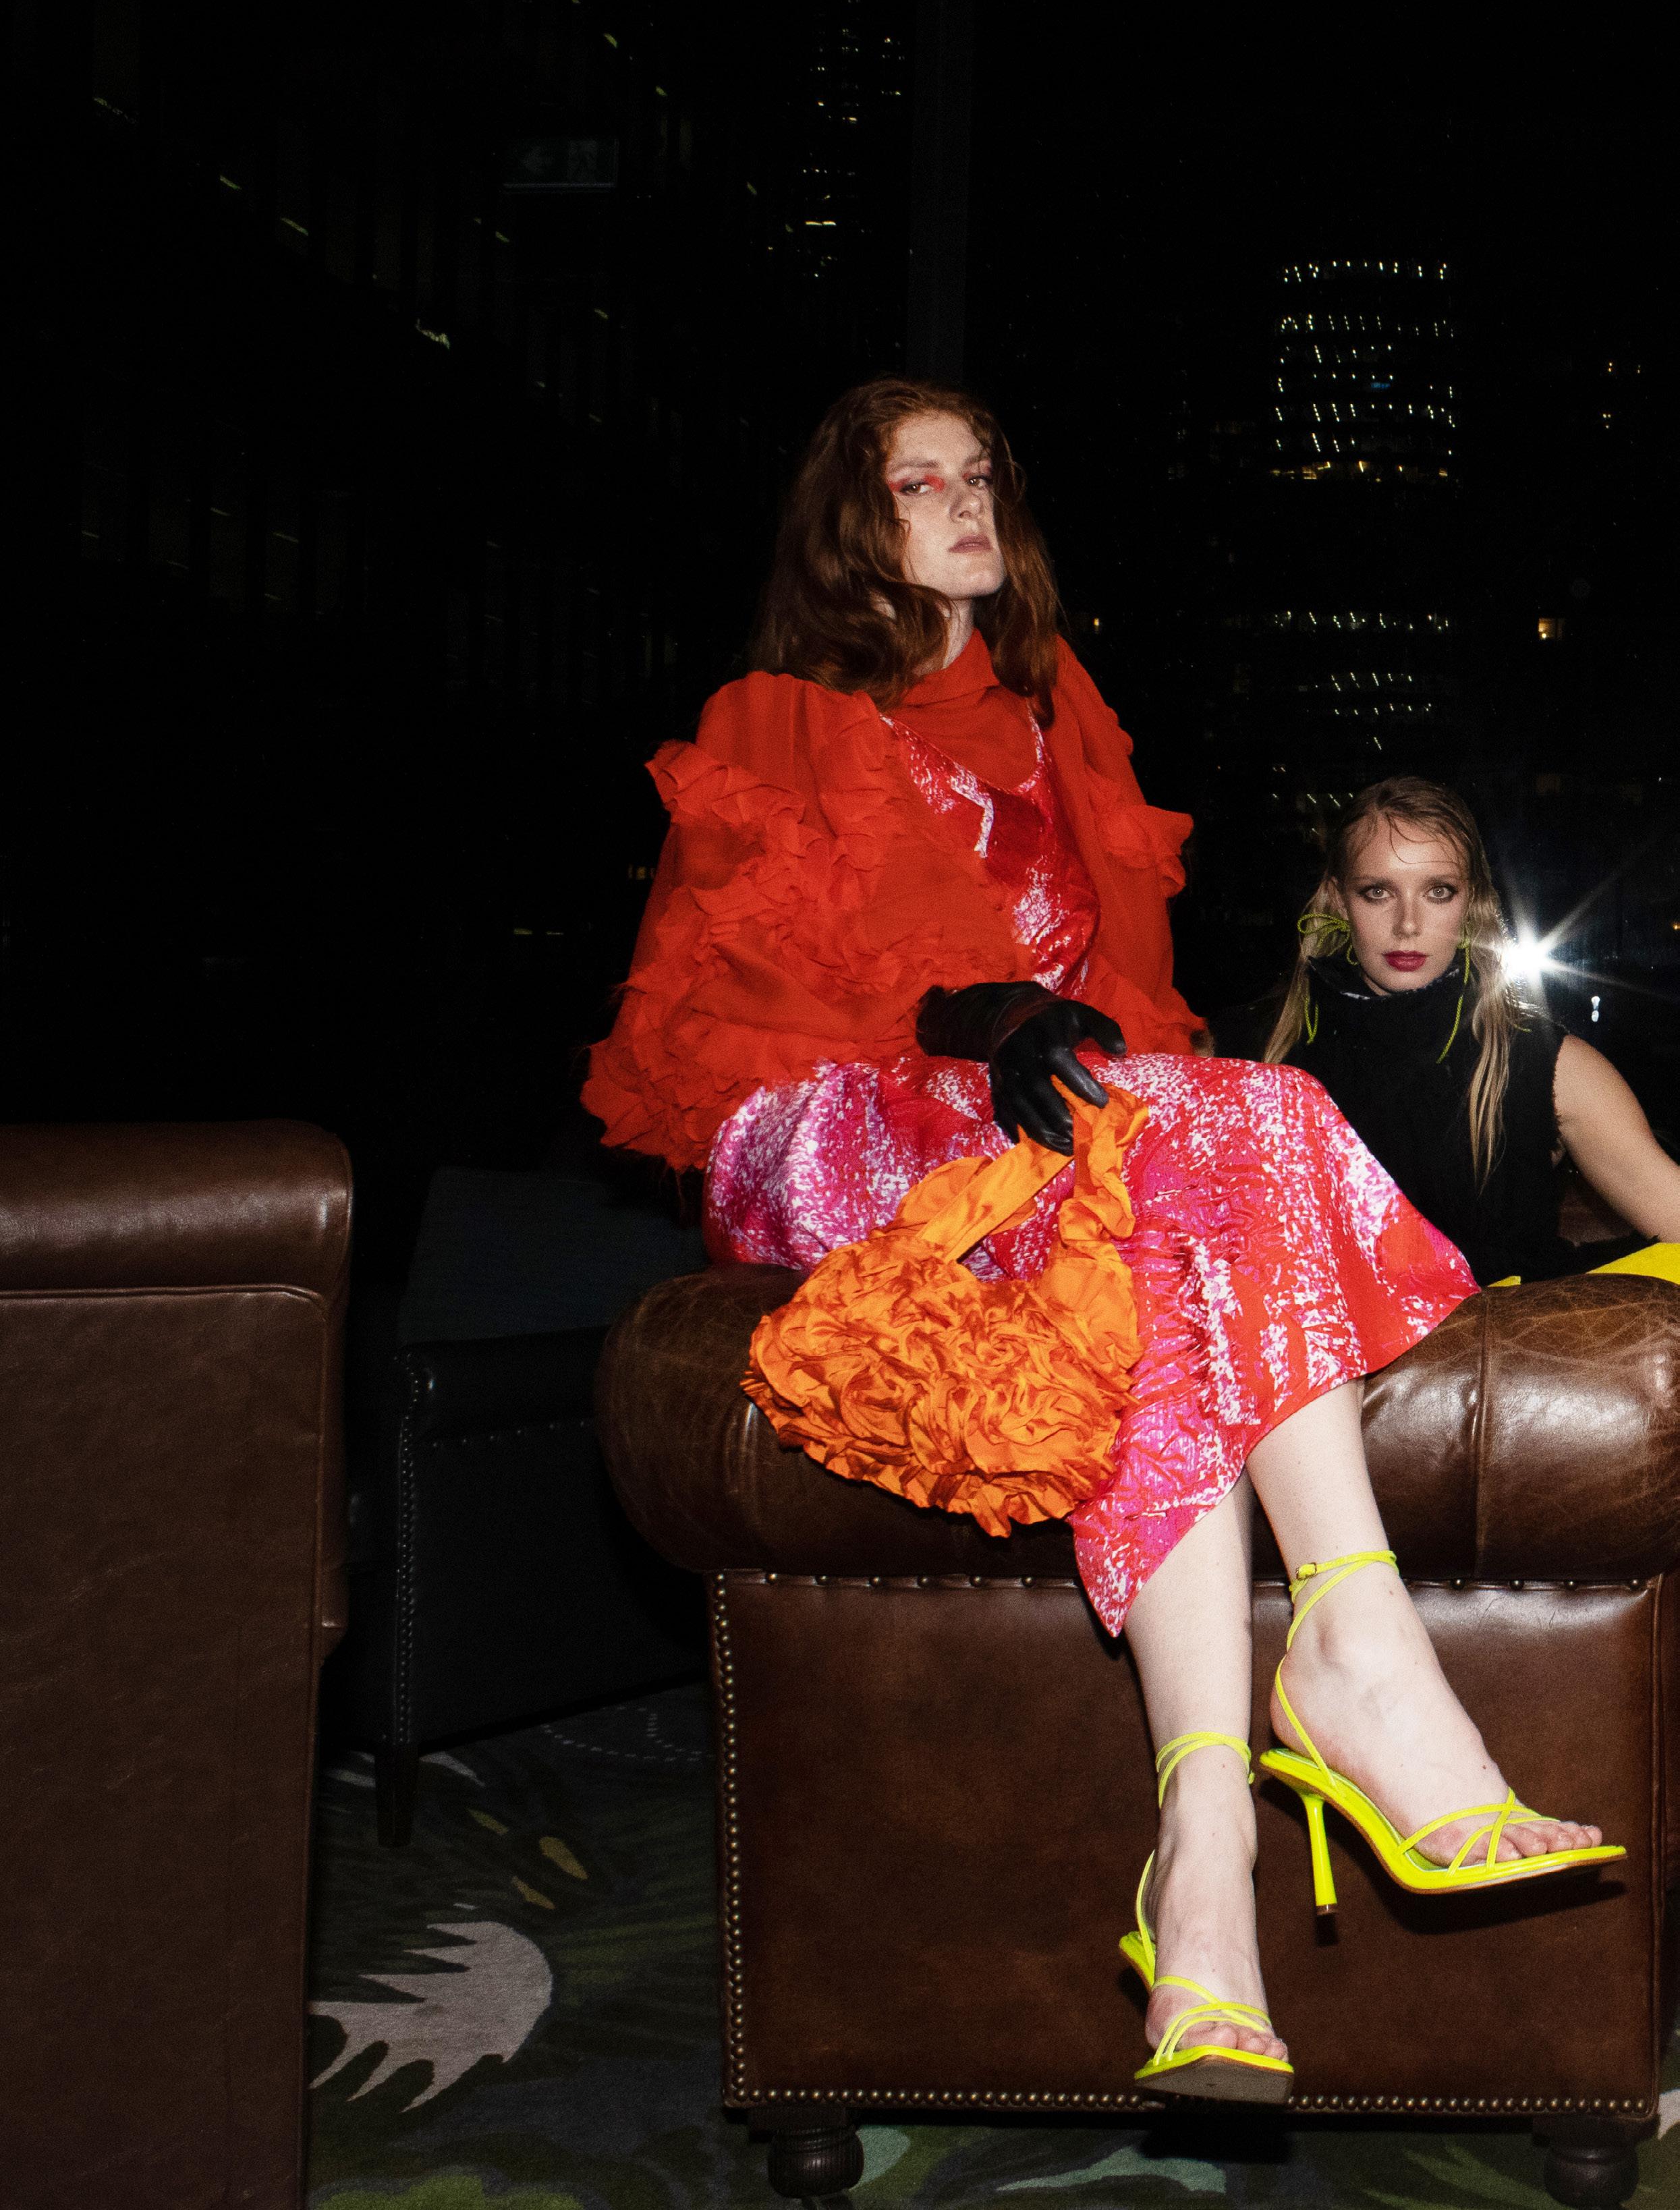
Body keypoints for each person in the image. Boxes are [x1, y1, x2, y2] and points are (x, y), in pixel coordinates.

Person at [584, 380, 1617, 2103]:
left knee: (1186, 1220)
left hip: (1045, 1140)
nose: (963, 503)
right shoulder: (776, 717)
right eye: (917, 482)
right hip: (830, 1128)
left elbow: (1123, 1010)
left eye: (980, 474)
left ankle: (1203, 1859)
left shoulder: (1058, 723)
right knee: (1231, 1124)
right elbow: (763, 985)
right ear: (849, 525)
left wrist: (1052, 1045)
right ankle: (1358, 1661)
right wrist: (965, 1013)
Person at [1233, 775, 1680, 1287]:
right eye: (1377, 892)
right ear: (1339, 899)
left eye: (1438, 891)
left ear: (1471, 902)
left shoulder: (1551, 1066)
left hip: (1504, 1340)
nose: (1407, 924)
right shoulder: (1254, 1053)